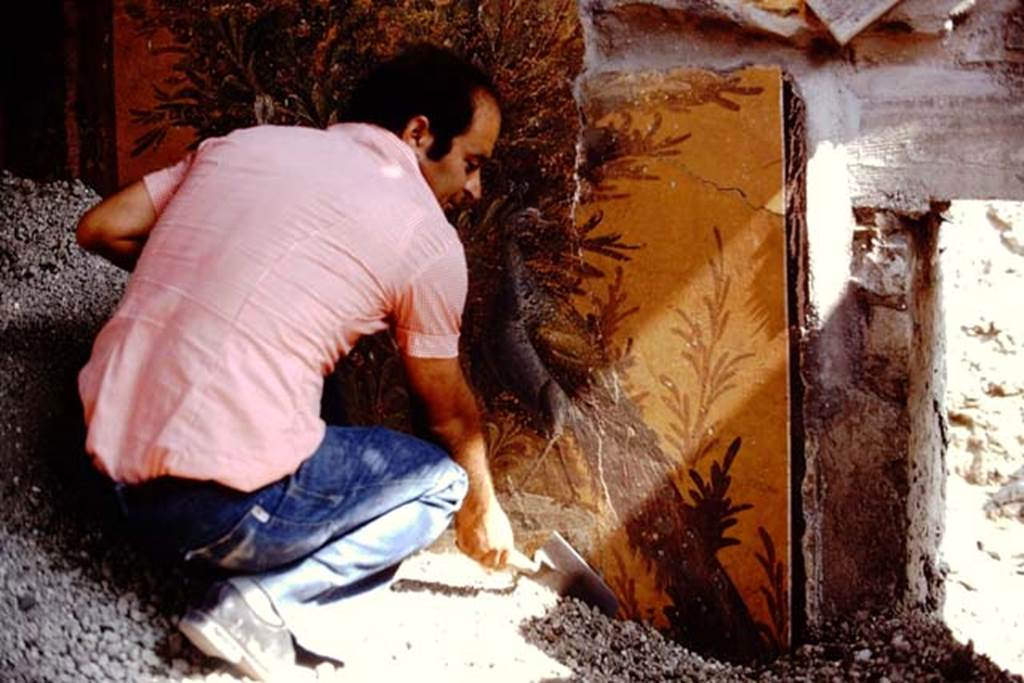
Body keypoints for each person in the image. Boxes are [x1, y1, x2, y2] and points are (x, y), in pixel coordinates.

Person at [75, 44, 515, 680]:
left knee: (316, 370)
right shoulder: (428, 239)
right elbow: (446, 415)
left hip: (100, 475)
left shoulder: (244, 145)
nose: (475, 189)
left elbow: (101, 227)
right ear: (419, 134)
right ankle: (263, 609)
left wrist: (213, 281)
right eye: (472, 164)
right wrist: (483, 511)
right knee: (440, 483)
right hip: (207, 517)